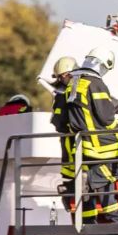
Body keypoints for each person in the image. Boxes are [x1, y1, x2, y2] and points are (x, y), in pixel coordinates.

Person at [65, 47, 118, 224]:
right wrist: (116, 116)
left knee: (106, 189)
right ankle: (93, 179)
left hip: (82, 142)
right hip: (99, 142)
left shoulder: (74, 82)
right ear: (102, 65)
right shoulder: (96, 83)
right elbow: (106, 117)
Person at [50, 56, 81, 217]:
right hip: (73, 141)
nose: (62, 80)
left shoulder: (66, 93)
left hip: (73, 141)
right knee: (72, 172)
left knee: (73, 172)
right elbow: (58, 119)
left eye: (62, 76)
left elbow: (57, 120)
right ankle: (70, 196)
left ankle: (71, 195)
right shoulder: (76, 90)